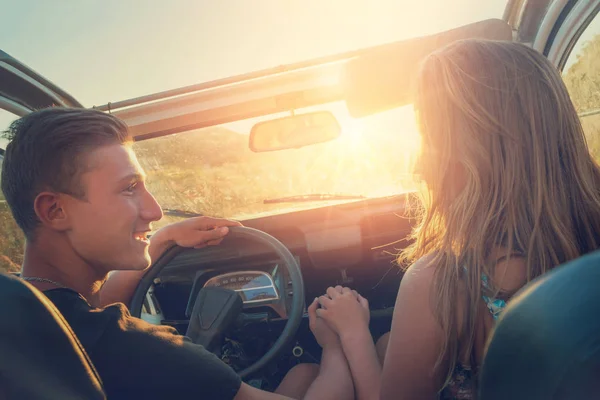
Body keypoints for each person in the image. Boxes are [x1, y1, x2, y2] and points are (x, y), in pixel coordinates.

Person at [0, 107, 354, 400]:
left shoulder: (20, 307)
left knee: (303, 375)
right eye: (129, 189)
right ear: (55, 212)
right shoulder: (144, 353)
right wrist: (338, 341)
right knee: (310, 370)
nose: (154, 211)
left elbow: (81, 311)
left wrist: (158, 242)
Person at [314, 39, 600, 399]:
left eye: (429, 140)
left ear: (469, 157)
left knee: (305, 374)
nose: (419, 167)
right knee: (388, 344)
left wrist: (350, 337)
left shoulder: (441, 284)